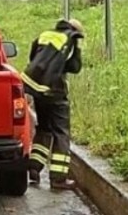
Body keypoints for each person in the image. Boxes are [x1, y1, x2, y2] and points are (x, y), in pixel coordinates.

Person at [21, 18, 86, 189]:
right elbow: (74, 67)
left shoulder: (45, 35)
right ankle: (58, 178)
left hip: (38, 90)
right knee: (61, 132)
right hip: (56, 92)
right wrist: (77, 48)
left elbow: (34, 57)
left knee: (44, 129)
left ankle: (34, 168)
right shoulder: (70, 39)